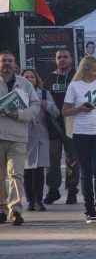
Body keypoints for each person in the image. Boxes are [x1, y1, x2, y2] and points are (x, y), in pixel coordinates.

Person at [62, 56, 96, 224]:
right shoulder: (74, 86)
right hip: (81, 132)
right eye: (94, 69)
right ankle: (89, 210)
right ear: (85, 70)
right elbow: (65, 111)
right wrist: (80, 109)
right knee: (86, 170)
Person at [0, 51, 40, 225]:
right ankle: (1, 208)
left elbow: (36, 106)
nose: (7, 63)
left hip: (18, 136)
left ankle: (15, 210)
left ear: (15, 64)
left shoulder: (24, 84)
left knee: (16, 174)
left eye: (10, 61)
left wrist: (19, 114)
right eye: (3, 60)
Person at [43, 49, 79, 205]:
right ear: (55, 60)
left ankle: (72, 190)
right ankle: (53, 190)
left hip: (72, 124)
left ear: (71, 59)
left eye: (65, 57)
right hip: (53, 124)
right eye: (59, 57)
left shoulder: (78, 77)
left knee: (72, 159)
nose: (62, 59)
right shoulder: (49, 79)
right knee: (52, 160)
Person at [21, 69, 60, 212]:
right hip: (24, 134)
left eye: (32, 76)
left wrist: (46, 105)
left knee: (39, 169)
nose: (30, 79)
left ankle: (38, 200)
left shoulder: (44, 93)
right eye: (26, 77)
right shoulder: (17, 94)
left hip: (41, 135)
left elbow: (56, 112)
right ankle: (30, 201)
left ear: (37, 79)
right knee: (26, 170)